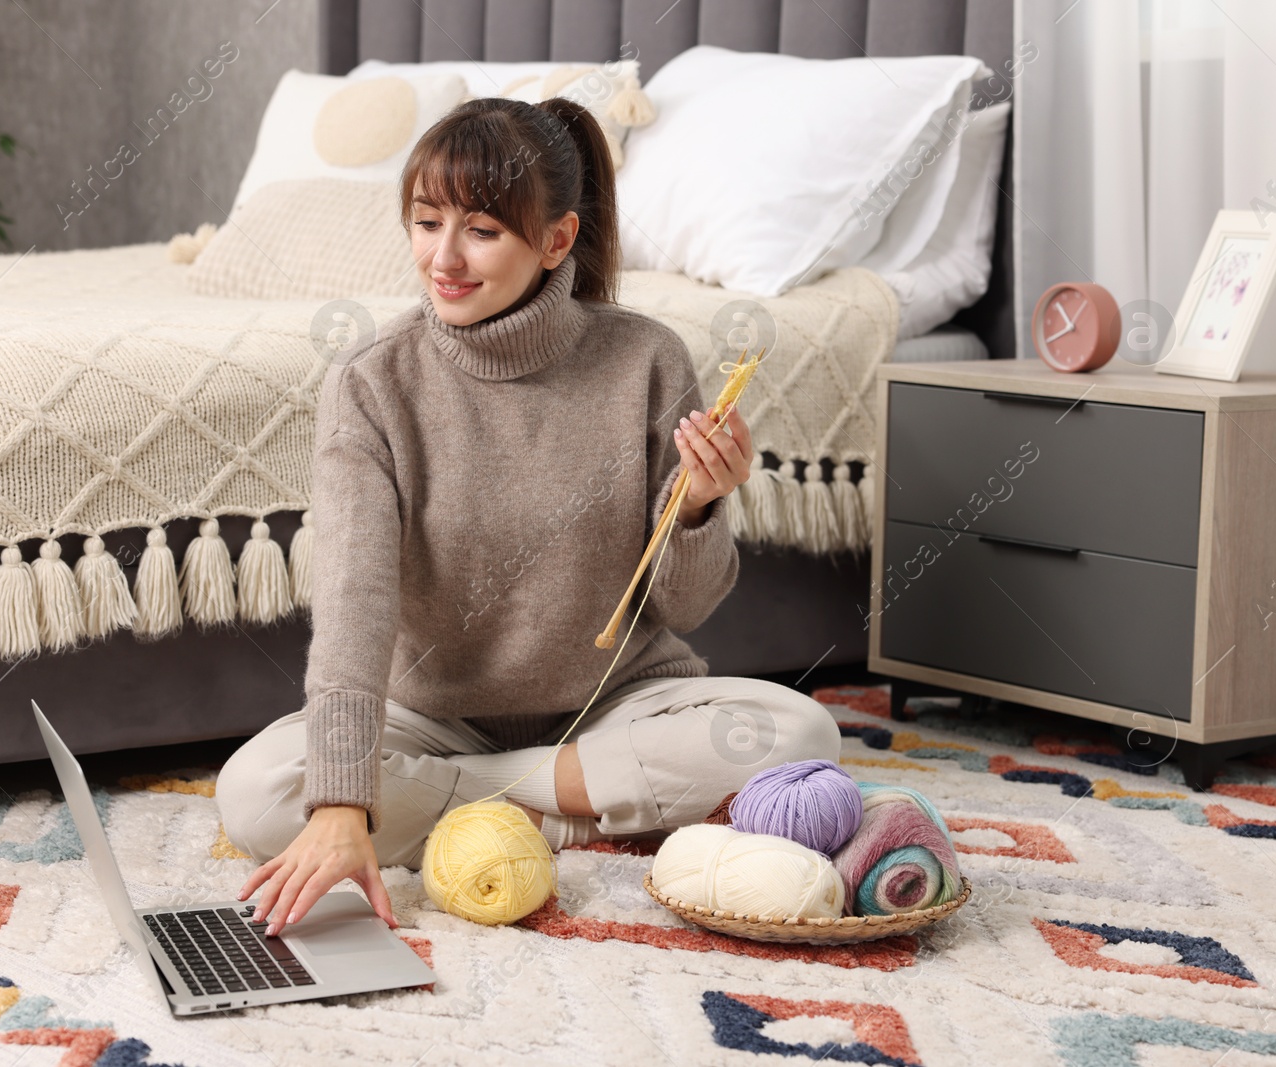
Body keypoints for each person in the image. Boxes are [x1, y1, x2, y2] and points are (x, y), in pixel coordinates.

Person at [215, 96, 839, 938]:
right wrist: (336, 799)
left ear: (555, 240)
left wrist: (696, 506)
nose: (443, 258)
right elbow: (354, 602)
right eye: (427, 222)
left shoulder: (647, 359)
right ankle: (568, 809)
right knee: (260, 791)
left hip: (617, 702)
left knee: (801, 734)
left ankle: (486, 804)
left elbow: (684, 609)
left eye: (481, 231)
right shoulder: (371, 384)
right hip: (433, 716)